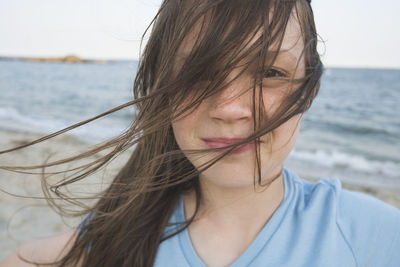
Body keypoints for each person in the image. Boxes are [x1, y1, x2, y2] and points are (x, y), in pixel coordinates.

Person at [1, 0, 400, 266]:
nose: (229, 108)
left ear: (308, 88)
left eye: (271, 73)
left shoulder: (374, 235)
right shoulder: (120, 230)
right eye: (196, 73)